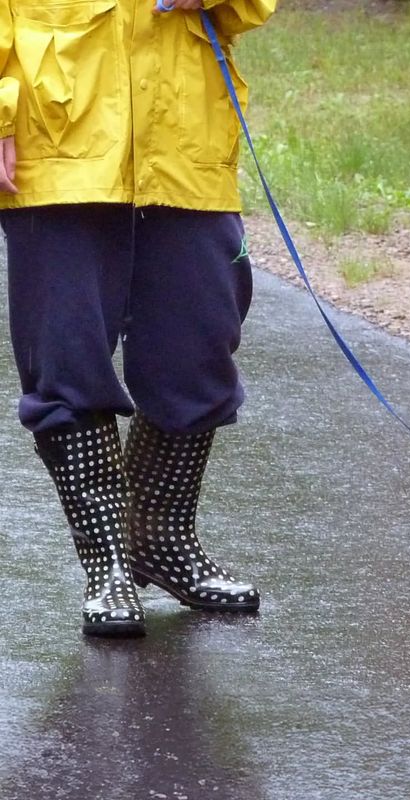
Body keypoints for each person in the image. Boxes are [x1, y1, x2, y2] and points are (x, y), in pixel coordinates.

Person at [0, 0, 276, 636]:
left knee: (200, 340)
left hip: (184, 138)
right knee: (67, 352)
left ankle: (160, 539)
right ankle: (107, 564)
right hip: (56, 137)